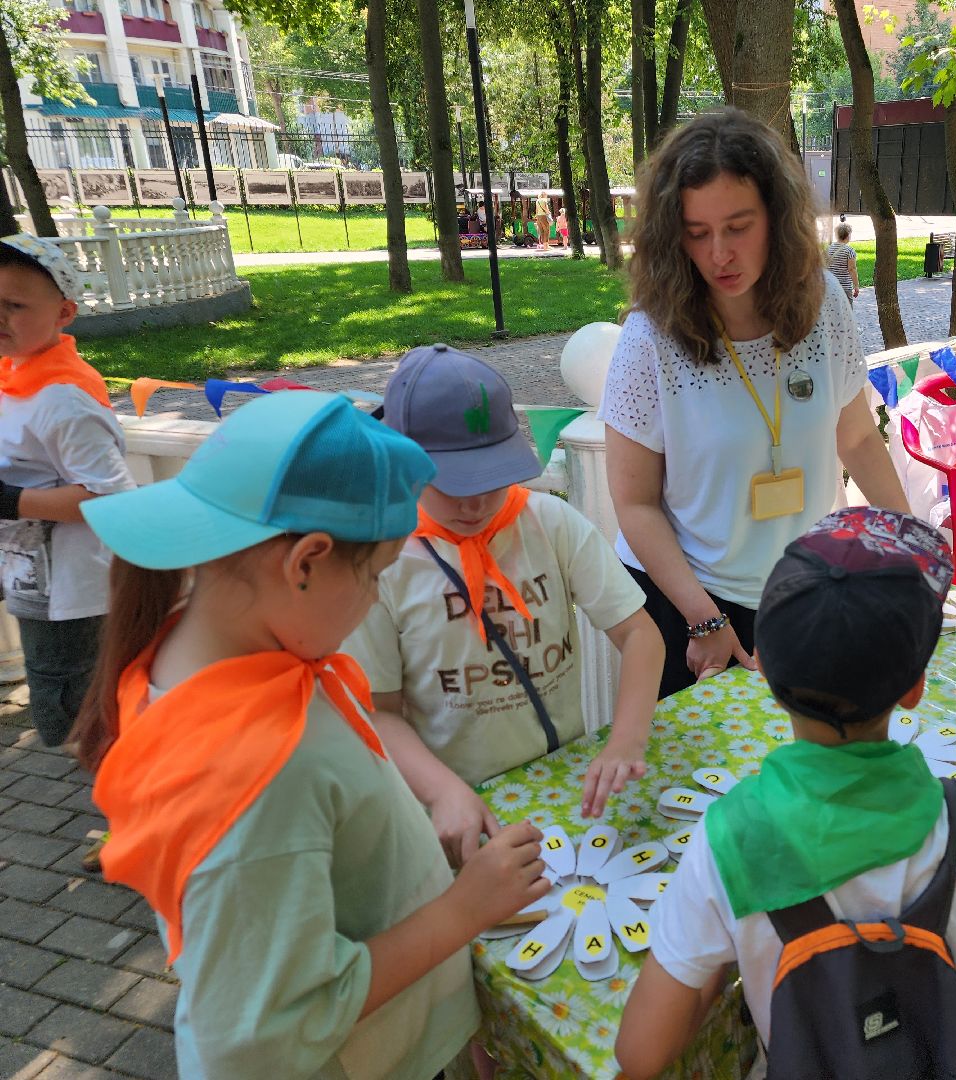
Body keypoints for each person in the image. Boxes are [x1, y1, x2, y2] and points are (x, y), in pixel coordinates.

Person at [72, 392, 550, 1077]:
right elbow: (268, 1029)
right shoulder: (258, 774)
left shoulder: (210, 649)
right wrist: (464, 910)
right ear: (305, 562)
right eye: (379, 574)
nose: (376, 597)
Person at [615, 507, 956, 1079]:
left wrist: (705, 975)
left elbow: (640, 1053)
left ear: (767, 676)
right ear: (914, 688)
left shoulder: (730, 837)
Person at [599, 108, 908, 700]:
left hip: (808, 593)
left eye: (738, 226)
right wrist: (705, 619)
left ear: (776, 216)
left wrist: (912, 542)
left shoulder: (824, 308)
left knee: (810, 776)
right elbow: (633, 503)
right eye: (697, 232)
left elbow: (858, 438)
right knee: (701, 788)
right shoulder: (650, 339)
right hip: (689, 603)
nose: (720, 254)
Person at [345, 345, 664, 858]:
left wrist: (626, 738)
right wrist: (444, 792)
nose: (473, 502)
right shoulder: (383, 564)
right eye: (451, 482)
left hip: (562, 784)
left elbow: (640, 633)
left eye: (490, 478)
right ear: (401, 461)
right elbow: (378, 712)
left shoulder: (551, 524)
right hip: (458, 811)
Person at [0, 235, 134, 747]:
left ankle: (121, 803)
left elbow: (111, 498)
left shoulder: (63, 399)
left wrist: (10, 501)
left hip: (71, 593)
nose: (0, 316)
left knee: (76, 708)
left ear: (63, 313)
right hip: (33, 573)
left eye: (14, 305)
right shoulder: (17, 375)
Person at [824, 219, 859, 302]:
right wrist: (856, 285)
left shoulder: (828, 249)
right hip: (844, 287)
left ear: (837, 235)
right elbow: (852, 269)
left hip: (830, 286)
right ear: (848, 235)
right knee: (847, 312)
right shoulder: (849, 251)